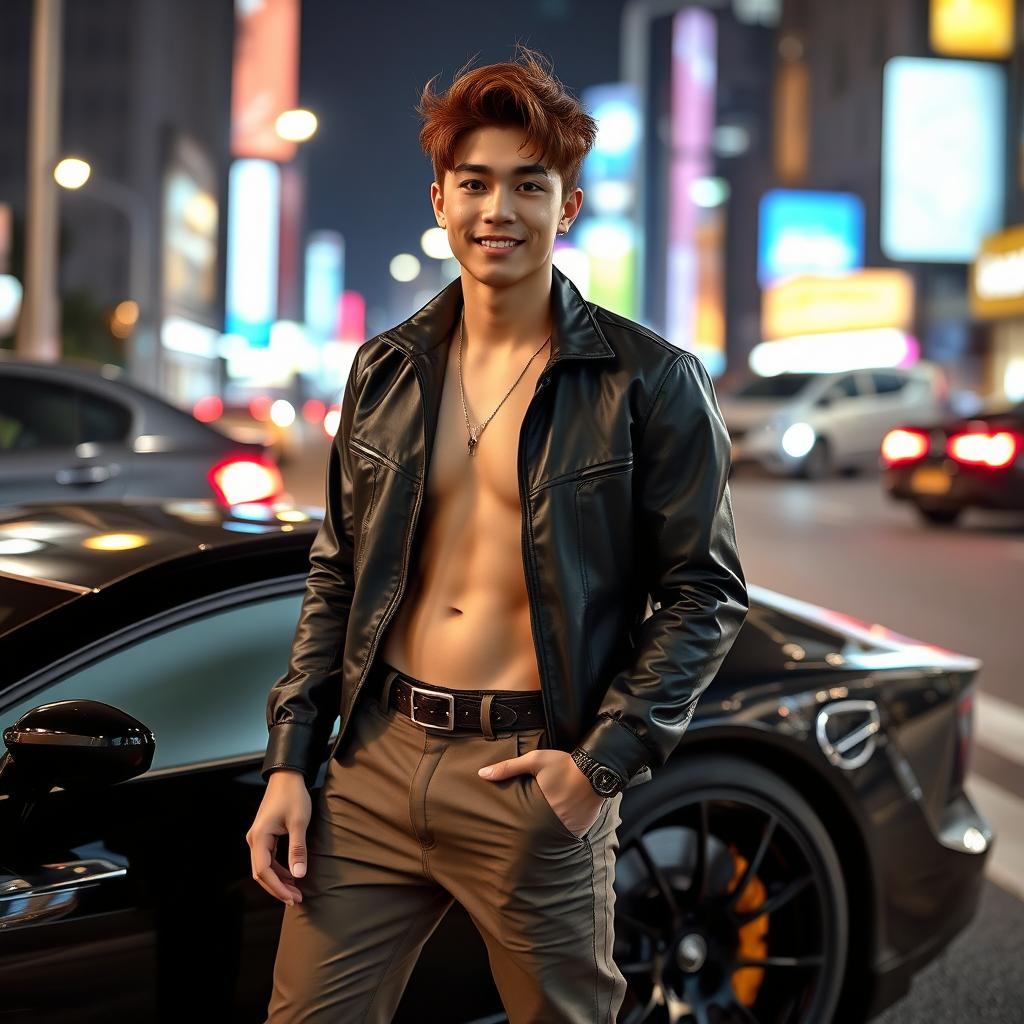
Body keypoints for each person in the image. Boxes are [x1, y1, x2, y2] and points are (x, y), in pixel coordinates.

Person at [248, 44, 748, 1024]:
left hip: (529, 773)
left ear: (565, 207)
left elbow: (704, 591)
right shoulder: (384, 370)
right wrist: (290, 760)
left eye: (529, 184)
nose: (497, 211)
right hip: (377, 760)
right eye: (474, 182)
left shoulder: (649, 380)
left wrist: (598, 763)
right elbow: (338, 568)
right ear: (439, 199)